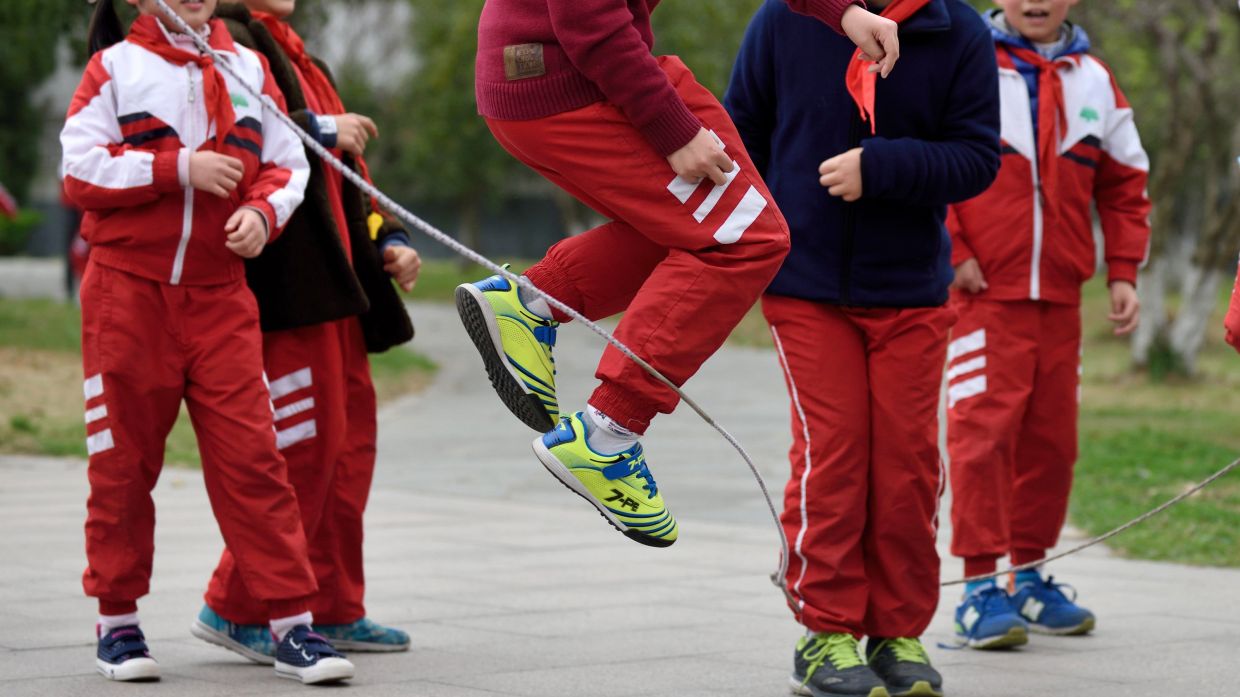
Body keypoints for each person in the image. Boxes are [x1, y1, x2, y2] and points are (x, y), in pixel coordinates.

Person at [455, 0, 900, 550]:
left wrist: (844, 15)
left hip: (554, 77)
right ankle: (605, 436)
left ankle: (531, 304)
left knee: (693, 228)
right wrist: (673, 131)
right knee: (744, 239)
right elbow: (588, 20)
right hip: (573, 78)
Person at [62, 0, 352, 684]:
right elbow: (78, 171)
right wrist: (177, 169)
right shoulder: (114, 68)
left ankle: (290, 624)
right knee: (123, 464)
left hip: (222, 297)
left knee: (256, 459)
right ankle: (118, 621)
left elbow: (288, 163)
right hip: (127, 295)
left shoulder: (249, 66)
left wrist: (261, 211)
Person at [727, 0, 1000, 694]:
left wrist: (881, 167)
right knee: (835, 453)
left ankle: (897, 629)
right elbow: (740, 137)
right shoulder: (783, 19)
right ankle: (825, 632)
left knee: (907, 462)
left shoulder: (959, 31)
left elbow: (976, 158)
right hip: (804, 285)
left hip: (912, 290)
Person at [189, 0, 421, 662]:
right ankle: (238, 604)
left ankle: (334, 603)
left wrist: (387, 239)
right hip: (285, 289)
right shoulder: (222, 37)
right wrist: (321, 125)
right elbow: (228, 129)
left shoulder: (300, 53)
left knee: (348, 452)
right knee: (299, 449)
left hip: (340, 288)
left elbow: (351, 178)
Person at [945, 0, 1150, 649]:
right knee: (982, 437)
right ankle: (979, 586)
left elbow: (1126, 182)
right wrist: (952, 252)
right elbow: (929, 161)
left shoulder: (1095, 79)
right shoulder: (964, 62)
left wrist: (1122, 268)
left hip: (1060, 297)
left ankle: (1030, 576)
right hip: (983, 295)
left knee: (1052, 443)